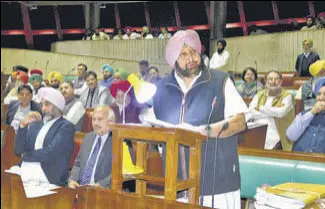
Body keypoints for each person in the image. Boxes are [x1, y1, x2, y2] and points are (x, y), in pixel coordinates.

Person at [140, 30, 248, 208]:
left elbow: (240, 121)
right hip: (176, 184)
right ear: (173, 60)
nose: (190, 58)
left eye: (193, 52)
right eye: (183, 54)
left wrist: (205, 131)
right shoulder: (162, 88)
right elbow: (153, 128)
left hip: (217, 183)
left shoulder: (219, 80)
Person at [14, 87, 75, 186]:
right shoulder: (35, 124)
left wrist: (25, 156)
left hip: (48, 176)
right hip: (26, 169)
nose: (43, 109)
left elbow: (50, 153)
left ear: (57, 106)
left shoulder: (66, 127)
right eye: (41, 105)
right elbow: (18, 150)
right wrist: (23, 125)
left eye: (47, 104)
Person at [287, 77, 325, 156]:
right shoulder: (305, 114)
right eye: (319, 94)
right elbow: (291, 135)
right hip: (298, 160)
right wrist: (311, 113)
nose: (321, 97)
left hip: (323, 164)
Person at [68, 106, 115, 189]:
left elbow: (122, 172)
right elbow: (78, 164)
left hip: (105, 192)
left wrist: (101, 185)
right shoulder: (88, 137)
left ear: (111, 122)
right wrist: (72, 180)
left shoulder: (120, 141)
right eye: (93, 119)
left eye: (100, 119)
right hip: (80, 189)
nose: (96, 123)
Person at [248, 71, 295, 151]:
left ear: (281, 81)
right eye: (270, 79)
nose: (273, 82)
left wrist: (260, 108)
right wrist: (272, 113)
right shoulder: (259, 94)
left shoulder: (287, 96)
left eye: (276, 79)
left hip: (278, 131)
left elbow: (280, 113)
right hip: (258, 129)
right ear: (266, 81)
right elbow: (251, 112)